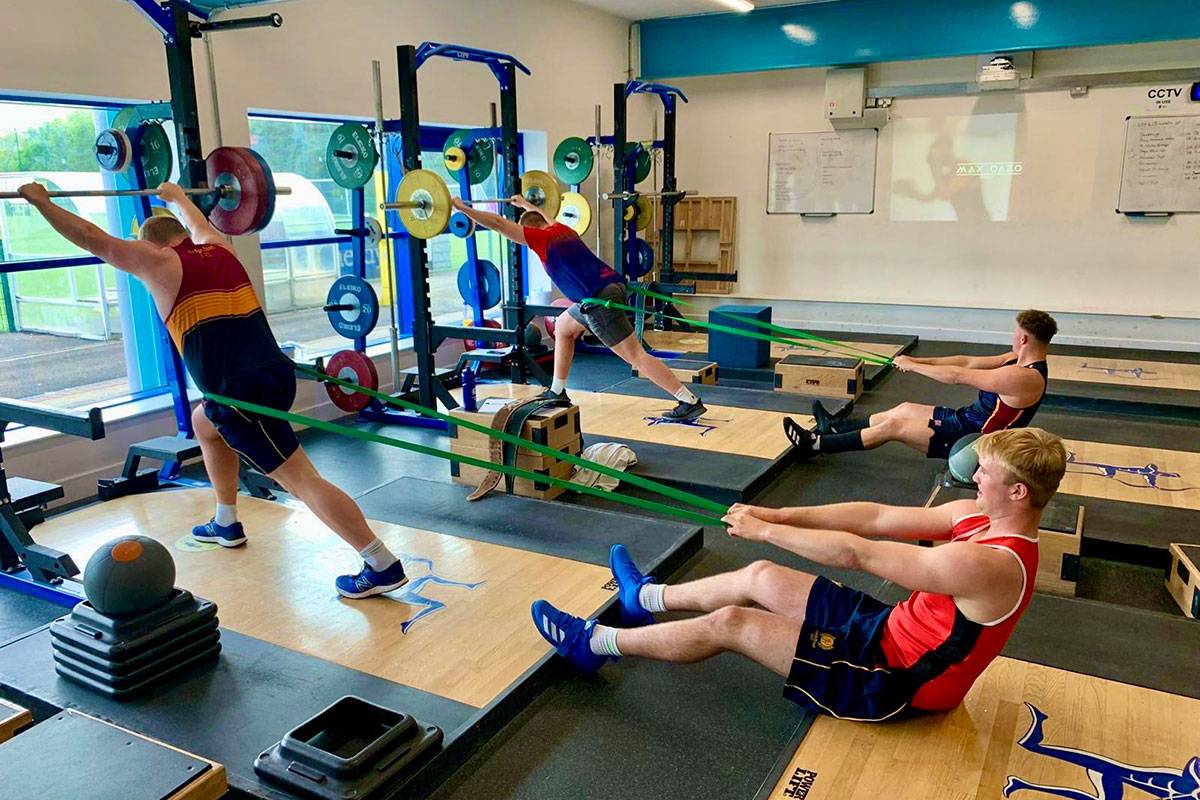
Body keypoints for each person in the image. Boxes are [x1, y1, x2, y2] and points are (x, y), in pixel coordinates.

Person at [16, 181, 407, 599]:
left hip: (239, 396)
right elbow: (199, 223)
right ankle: (226, 521)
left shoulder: (158, 261)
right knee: (205, 422)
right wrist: (178, 197)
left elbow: (93, 239)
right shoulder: (219, 248)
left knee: (301, 479)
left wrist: (42, 202)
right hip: (275, 375)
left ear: (149, 242)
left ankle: (381, 563)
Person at [530, 427, 1067, 722]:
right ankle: (644, 598)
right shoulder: (979, 515)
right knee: (760, 575)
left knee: (734, 623)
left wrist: (764, 529)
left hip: (901, 681)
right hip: (889, 631)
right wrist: (781, 516)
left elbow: (863, 554)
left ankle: (595, 644)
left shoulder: (992, 564)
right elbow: (876, 518)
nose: (972, 476)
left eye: (986, 474)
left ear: (1018, 492)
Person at [451, 195, 706, 421]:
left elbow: (498, 224)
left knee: (635, 356)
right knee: (563, 326)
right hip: (607, 289)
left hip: (598, 299)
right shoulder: (562, 229)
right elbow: (547, 218)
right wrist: (527, 205)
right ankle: (558, 391)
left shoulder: (541, 239)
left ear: (529, 230)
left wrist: (464, 208)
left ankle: (688, 400)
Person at [785, 310, 1058, 460]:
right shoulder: (1015, 359)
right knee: (903, 408)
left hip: (973, 441)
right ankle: (833, 427)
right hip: (964, 420)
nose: (1012, 337)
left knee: (894, 427)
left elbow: (957, 376)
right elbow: (967, 362)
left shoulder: (1024, 378)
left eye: (1015, 333)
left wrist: (914, 368)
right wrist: (918, 359)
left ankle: (816, 445)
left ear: (1023, 339)